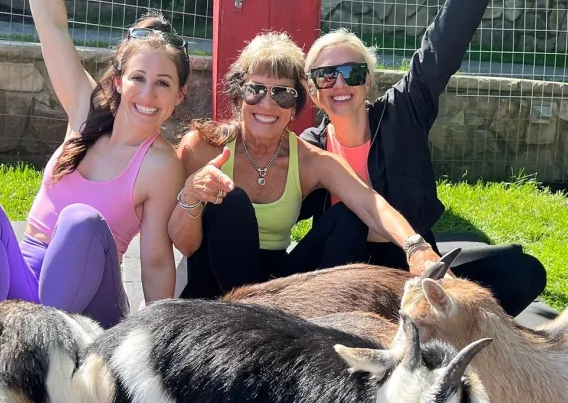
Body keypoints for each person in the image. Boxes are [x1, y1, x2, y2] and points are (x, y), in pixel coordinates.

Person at [0, 0, 189, 328]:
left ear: (180, 95)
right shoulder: (85, 110)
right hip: (26, 287)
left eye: (163, 83)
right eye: (138, 78)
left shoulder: (161, 165)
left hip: (91, 306)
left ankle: (42, 350)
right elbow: (50, 25)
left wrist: (155, 340)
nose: (148, 94)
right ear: (119, 81)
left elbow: (155, 262)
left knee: (80, 221)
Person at [300, 0, 547, 318]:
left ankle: (434, 327)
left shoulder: (402, 113)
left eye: (352, 73)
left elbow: (443, 46)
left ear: (368, 81)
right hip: (347, 277)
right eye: (326, 76)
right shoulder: (309, 147)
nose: (340, 84)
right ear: (313, 92)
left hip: (413, 265)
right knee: (345, 225)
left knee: (522, 272)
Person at [168, 32, 439, 299]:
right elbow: (184, 245)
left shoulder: (309, 159)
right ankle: (253, 321)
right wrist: (190, 195)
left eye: (282, 95)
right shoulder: (202, 147)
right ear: (239, 96)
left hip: (274, 289)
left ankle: (328, 320)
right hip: (217, 289)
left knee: (348, 216)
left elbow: (369, 203)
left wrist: (416, 248)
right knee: (232, 201)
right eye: (256, 90)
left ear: (295, 106)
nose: (267, 104)